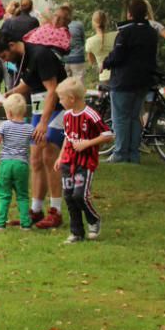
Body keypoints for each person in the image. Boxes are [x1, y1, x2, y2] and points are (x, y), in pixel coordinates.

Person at [0, 33, 66, 229]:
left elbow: (52, 90)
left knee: (49, 154)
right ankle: (36, 209)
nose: (4, 60)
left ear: (12, 45)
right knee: (35, 159)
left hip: (57, 110)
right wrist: (11, 93)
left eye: (4, 56)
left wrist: (44, 123)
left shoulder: (41, 55)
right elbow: (30, 83)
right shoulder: (22, 59)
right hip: (39, 110)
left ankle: (56, 211)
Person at [54, 77, 114, 242]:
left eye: (61, 98)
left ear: (72, 99)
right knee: (68, 196)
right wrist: (60, 157)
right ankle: (76, 232)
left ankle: (94, 219)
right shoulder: (67, 116)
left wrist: (88, 143)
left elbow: (108, 135)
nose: (60, 101)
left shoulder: (90, 115)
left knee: (79, 195)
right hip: (68, 162)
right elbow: (67, 137)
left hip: (84, 163)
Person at [102, 0, 159, 164]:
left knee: (120, 117)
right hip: (143, 80)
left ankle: (120, 153)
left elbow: (118, 56)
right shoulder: (151, 32)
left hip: (124, 81)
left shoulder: (125, 33)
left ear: (130, 14)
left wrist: (106, 62)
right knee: (135, 117)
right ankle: (133, 153)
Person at [0, 93, 33, 230]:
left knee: (4, 194)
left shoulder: (5, 125)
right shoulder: (29, 128)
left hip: (6, 164)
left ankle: (0, 222)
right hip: (22, 165)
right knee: (22, 195)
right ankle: (25, 223)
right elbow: (39, 141)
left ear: (9, 112)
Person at [85, 10, 117, 85]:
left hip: (104, 77)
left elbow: (91, 62)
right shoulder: (116, 35)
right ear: (107, 22)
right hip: (118, 76)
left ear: (93, 23)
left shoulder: (90, 41)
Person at [61, 5, 87, 83]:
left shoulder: (59, 26)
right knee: (79, 83)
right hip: (78, 58)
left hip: (64, 59)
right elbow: (83, 41)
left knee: (66, 84)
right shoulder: (79, 25)